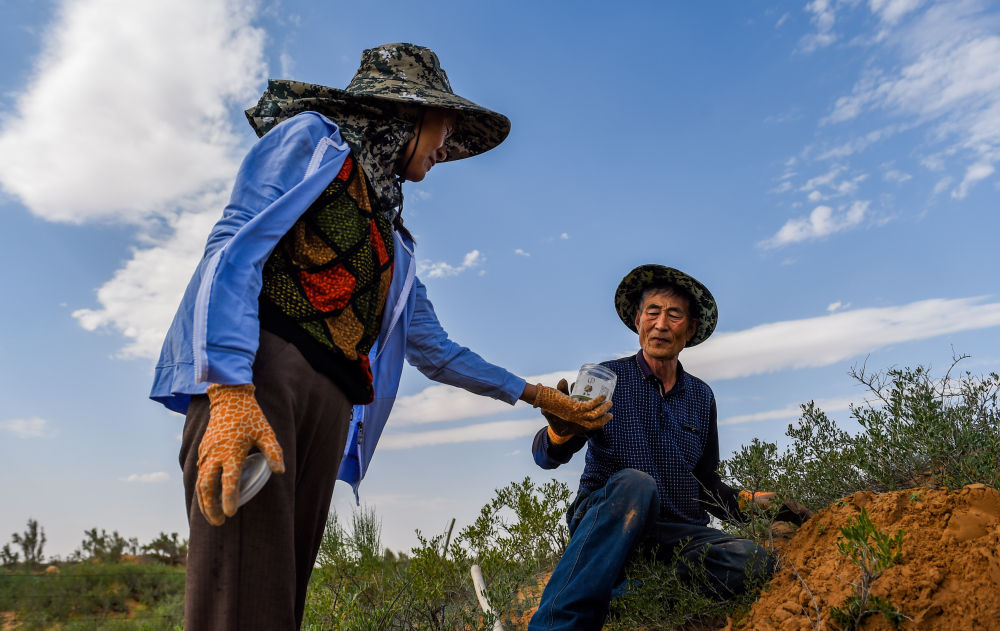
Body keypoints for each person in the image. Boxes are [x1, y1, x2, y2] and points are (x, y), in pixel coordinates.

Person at [149, 43, 611, 631]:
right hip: (263, 380)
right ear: (407, 113)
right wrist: (229, 389)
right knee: (238, 597)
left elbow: (437, 351)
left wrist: (539, 396)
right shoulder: (313, 141)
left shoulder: (393, 238)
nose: (448, 147)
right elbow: (234, 245)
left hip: (330, 404)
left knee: (278, 602)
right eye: (445, 127)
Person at [527, 264, 778, 631]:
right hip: (609, 524)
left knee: (754, 562)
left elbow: (706, 486)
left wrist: (751, 503)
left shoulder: (701, 396)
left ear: (690, 329)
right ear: (637, 319)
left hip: (677, 536)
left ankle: (628, 594)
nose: (661, 324)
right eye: (653, 312)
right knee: (636, 484)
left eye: (674, 315)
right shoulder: (604, 379)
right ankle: (556, 623)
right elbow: (545, 456)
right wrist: (561, 434)